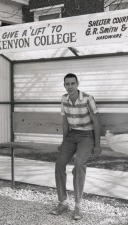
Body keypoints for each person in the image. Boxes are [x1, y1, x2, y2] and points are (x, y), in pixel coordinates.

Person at [50, 73, 101, 220]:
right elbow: (65, 123)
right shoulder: (63, 99)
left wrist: (97, 144)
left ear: (77, 84)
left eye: (73, 83)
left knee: (79, 164)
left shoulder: (87, 98)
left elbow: (97, 122)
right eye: (67, 84)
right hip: (71, 137)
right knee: (59, 163)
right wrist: (64, 141)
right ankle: (63, 202)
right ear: (64, 85)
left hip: (86, 136)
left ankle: (78, 205)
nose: (70, 86)